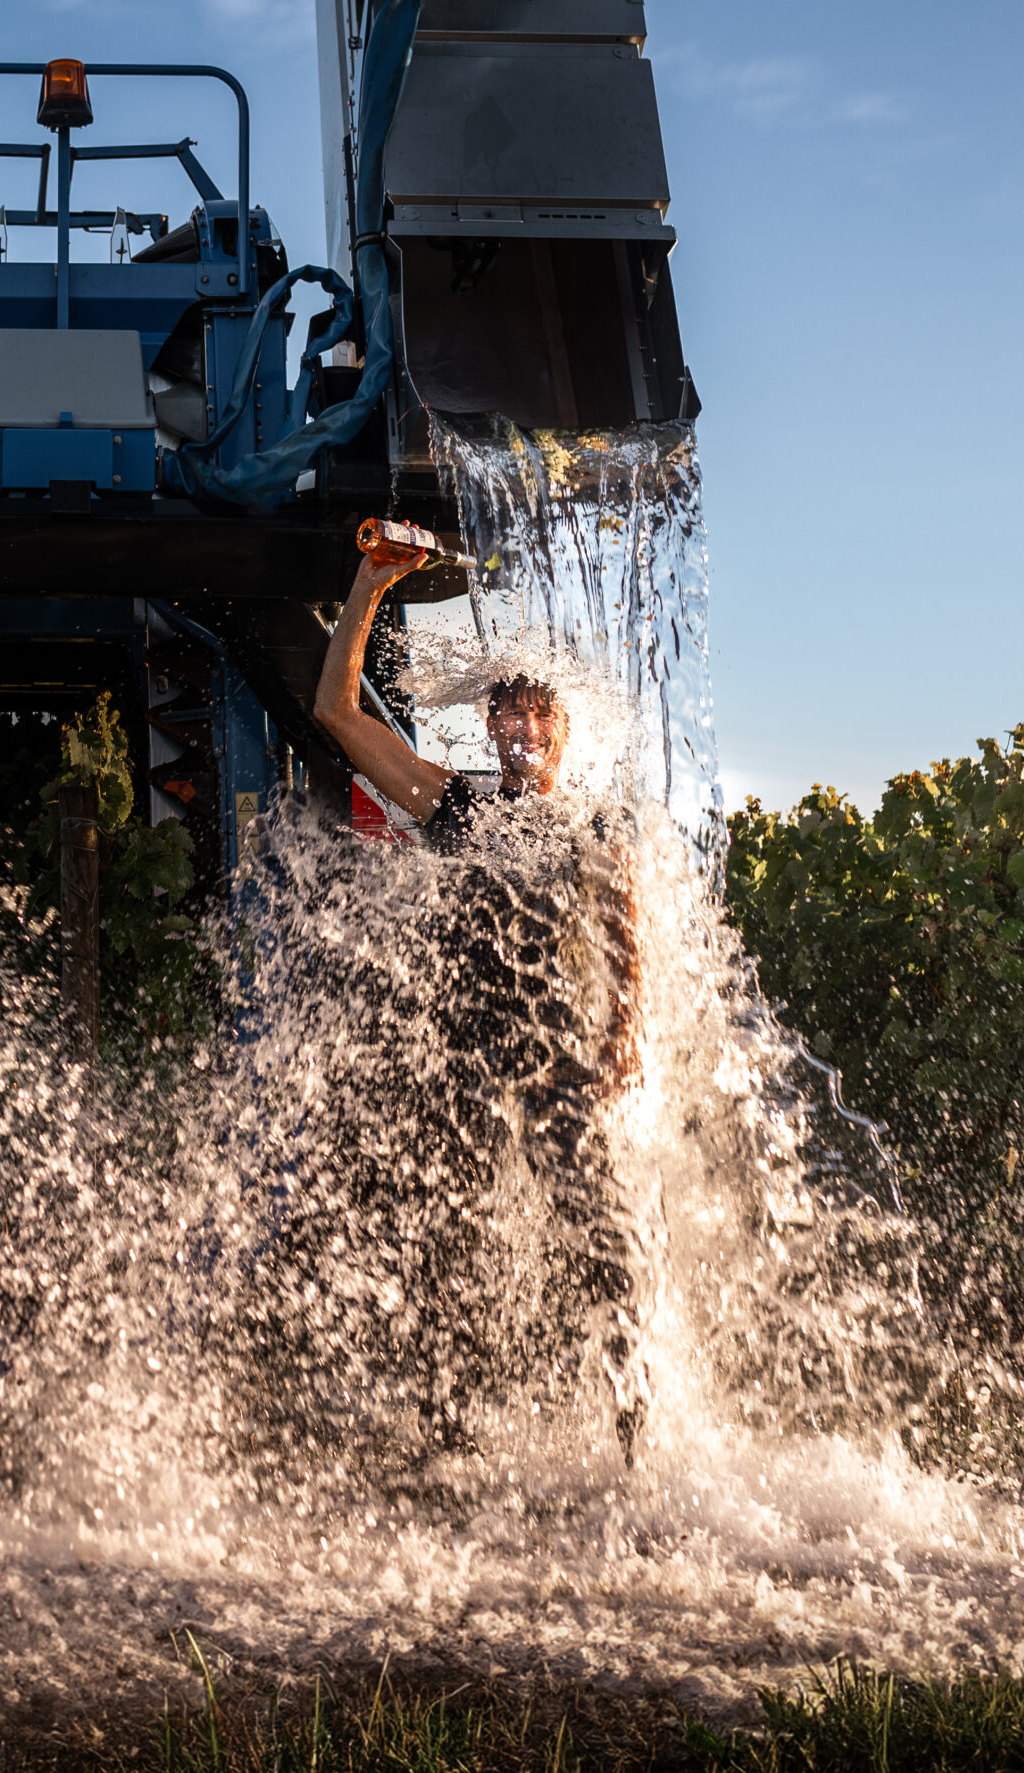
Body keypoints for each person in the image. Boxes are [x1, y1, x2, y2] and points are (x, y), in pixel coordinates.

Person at [306, 545, 647, 1459]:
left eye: (541, 714)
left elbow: (625, 932)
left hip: (555, 1053)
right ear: (489, 725)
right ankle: (446, 1437)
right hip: (459, 1051)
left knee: (602, 1245)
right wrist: (368, 583)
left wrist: (625, 1030)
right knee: (446, 1241)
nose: (524, 726)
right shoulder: (455, 805)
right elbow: (335, 712)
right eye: (510, 711)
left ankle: (637, 1435)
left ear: (563, 733)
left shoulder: (591, 823)